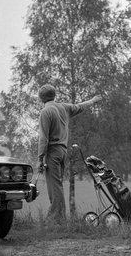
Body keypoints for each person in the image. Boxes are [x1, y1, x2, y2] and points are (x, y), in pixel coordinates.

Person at [37, 84, 102, 223]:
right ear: (54, 95)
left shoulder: (45, 112)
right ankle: (58, 217)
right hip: (62, 151)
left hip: (52, 152)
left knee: (54, 186)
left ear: (41, 98)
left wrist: (40, 159)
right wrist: (93, 100)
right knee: (57, 185)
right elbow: (80, 106)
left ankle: (56, 219)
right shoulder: (64, 107)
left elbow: (43, 138)